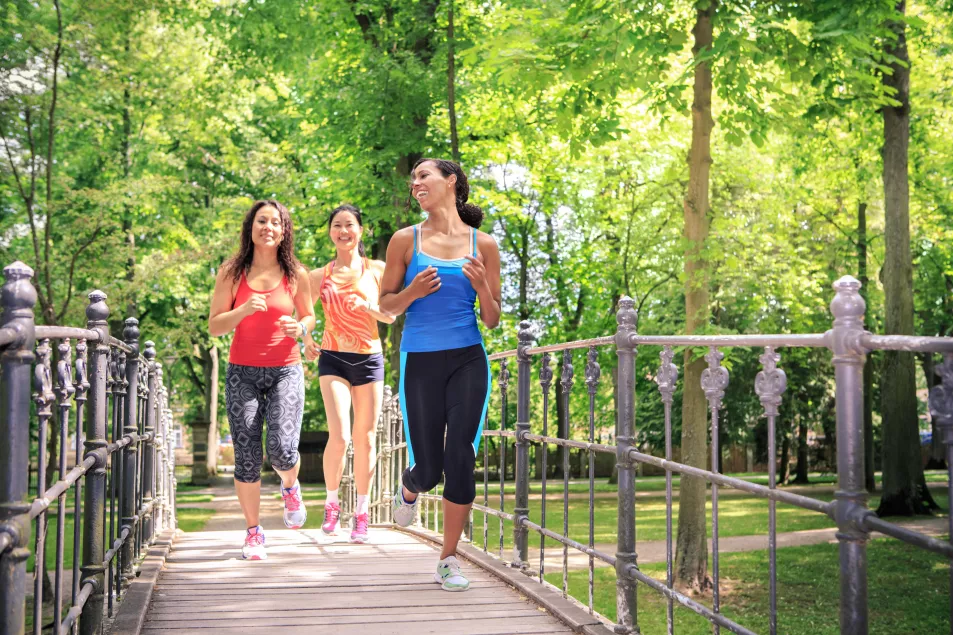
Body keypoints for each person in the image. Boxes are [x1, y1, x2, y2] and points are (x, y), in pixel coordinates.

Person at [379, 158, 502, 591]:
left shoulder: (483, 244)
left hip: (468, 357)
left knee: (461, 457)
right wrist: (412, 292)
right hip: (421, 360)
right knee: (431, 469)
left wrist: (483, 286)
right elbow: (385, 307)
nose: (415, 184)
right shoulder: (404, 241)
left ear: (451, 182)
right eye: (412, 178)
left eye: (423, 176)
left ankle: (448, 558)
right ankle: (411, 486)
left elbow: (492, 319)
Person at [208, 199, 315, 561]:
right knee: (247, 456)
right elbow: (214, 326)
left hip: (286, 368)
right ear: (250, 228)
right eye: (260, 221)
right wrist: (242, 310)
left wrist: (299, 327)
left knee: (283, 450)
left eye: (274, 222)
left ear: (284, 230)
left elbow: (310, 316)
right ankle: (253, 532)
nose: (267, 227)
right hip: (243, 372)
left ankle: (290, 486)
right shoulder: (231, 272)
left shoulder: (296, 273)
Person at [304, 204, 394, 543]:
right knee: (340, 435)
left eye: (350, 225)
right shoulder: (319, 275)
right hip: (333, 358)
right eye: (337, 225)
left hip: (369, 359)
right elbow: (307, 313)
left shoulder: (377, 270)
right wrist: (307, 338)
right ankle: (331, 505)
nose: (343, 231)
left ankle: (361, 512)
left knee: (366, 438)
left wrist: (367, 306)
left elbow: (391, 316)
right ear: (331, 232)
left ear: (361, 231)